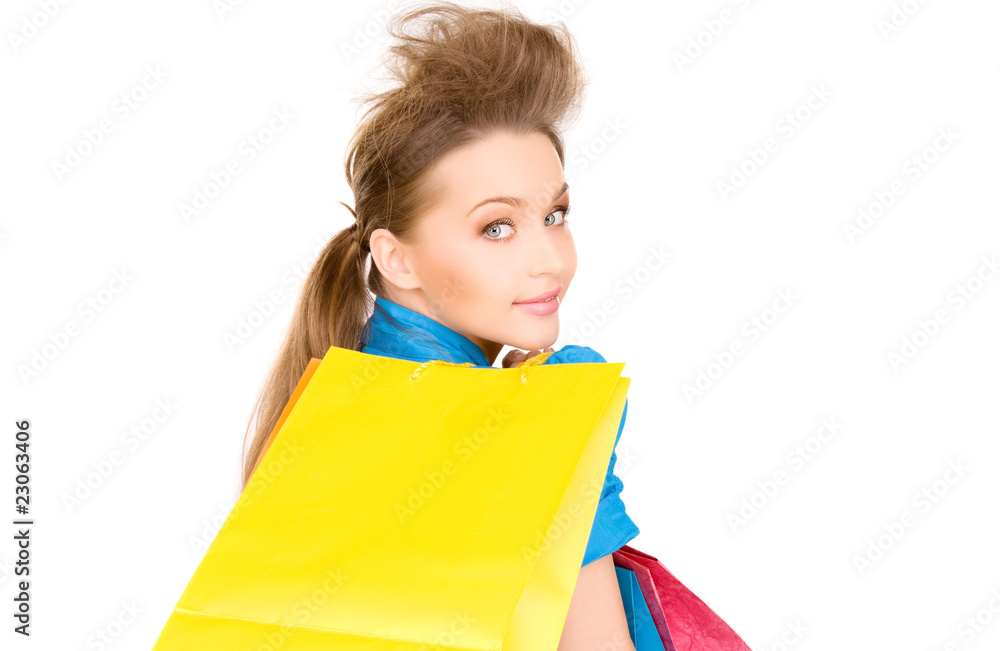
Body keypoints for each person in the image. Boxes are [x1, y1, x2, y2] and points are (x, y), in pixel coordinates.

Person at [240, 3, 640, 648]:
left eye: (555, 215)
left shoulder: (351, 392)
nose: (548, 259)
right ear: (396, 258)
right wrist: (572, 456)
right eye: (497, 227)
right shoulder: (499, 424)